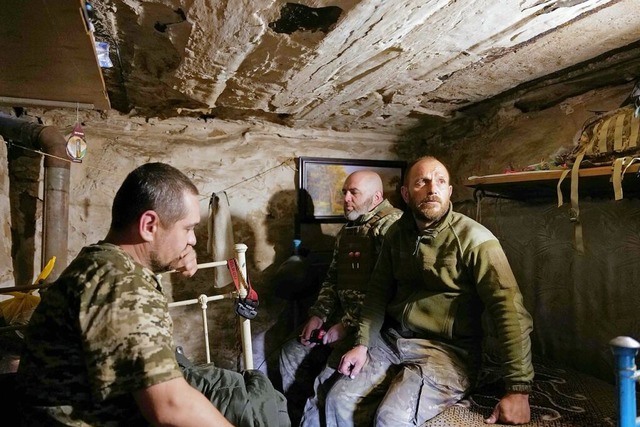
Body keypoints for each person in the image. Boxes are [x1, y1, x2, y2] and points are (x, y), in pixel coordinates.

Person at [17, 162, 288, 427]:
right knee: (256, 410)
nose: (192, 240)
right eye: (187, 228)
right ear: (149, 225)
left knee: (244, 393)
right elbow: (170, 406)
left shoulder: (102, 262)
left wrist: (173, 253)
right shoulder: (123, 286)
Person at [329, 156, 534, 426]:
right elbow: (377, 292)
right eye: (421, 182)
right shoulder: (396, 235)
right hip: (394, 341)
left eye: (440, 182)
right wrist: (362, 343)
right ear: (405, 193)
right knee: (338, 400)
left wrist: (518, 389)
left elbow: (509, 309)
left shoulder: (475, 240)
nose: (432, 189)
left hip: (448, 352)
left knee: (390, 418)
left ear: (449, 191)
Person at [279, 170, 402, 425]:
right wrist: (317, 315)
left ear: (377, 196)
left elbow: (388, 291)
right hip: (342, 320)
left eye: (353, 192)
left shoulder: (393, 229)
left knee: (326, 387)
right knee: (290, 354)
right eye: (344, 192)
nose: (345, 198)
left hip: (375, 329)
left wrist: (347, 326)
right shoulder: (350, 230)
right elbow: (333, 278)